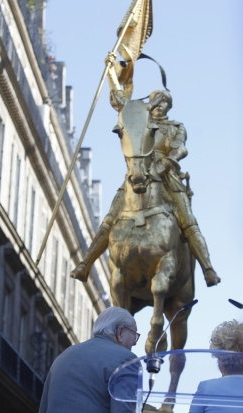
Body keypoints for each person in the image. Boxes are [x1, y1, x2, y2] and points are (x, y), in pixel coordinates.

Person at [71, 52, 220, 287]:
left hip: (166, 174)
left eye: (165, 102)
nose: (161, 105)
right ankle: (86, 263)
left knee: (188, 220)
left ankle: (207, 269)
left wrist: (167, 161)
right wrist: (111, 70)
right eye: (157, 101)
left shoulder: (175, 127)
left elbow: (181, 149)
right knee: (111, 218)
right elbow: (117, 100)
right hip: (138, 170)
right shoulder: (139, 118)